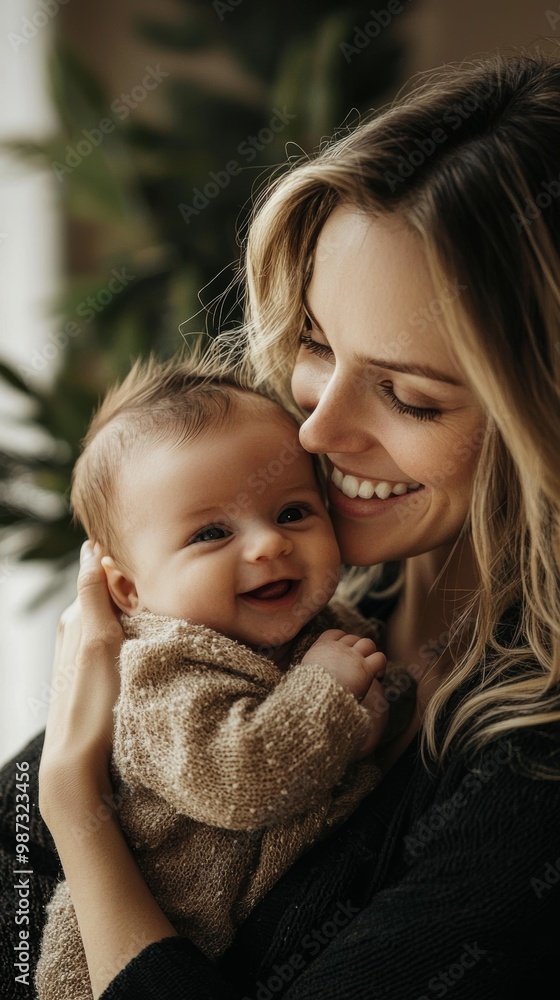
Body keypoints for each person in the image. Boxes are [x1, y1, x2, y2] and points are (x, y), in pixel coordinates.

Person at [2, 45, 560, 1000]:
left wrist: (74, 808)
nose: (316, 429)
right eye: (315, 342)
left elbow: (53, 814)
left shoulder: (530, 778)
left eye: (411, 397)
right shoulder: (274, 603)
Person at [34, 355, 394, 999]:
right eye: (211, 532)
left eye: (292, 513)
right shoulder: (161, 673)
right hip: (107, 971)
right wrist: (327, 694)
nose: (267, 545)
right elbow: (242, 777)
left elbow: (336, 743)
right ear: (128, 589)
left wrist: (357, 724)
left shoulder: (322, 625)